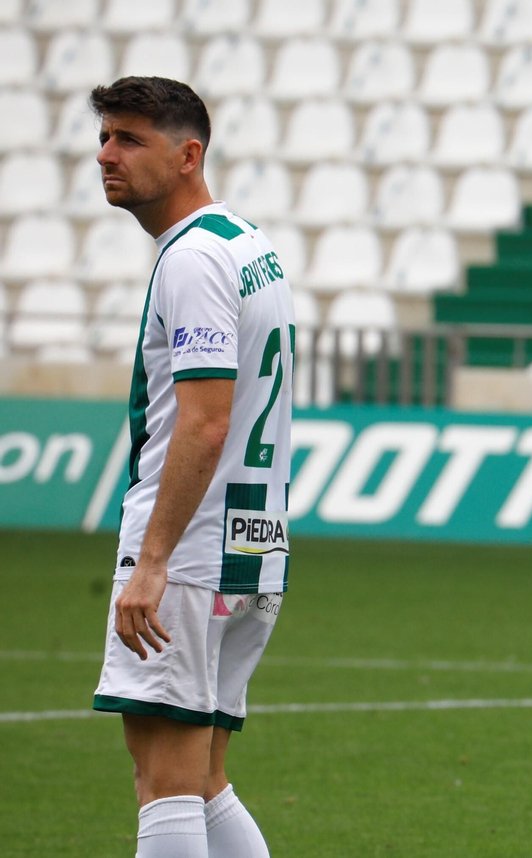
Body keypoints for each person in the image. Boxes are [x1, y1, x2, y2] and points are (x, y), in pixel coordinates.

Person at [87, 76, 293, 858]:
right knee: (202, 777)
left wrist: (155, 565)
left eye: (130, 139)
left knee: (163, 777)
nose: (106, 154)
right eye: (105, 136)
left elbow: (205, 424)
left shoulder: (193, 260)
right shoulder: (246, 243)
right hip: (251, 540)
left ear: (188, 155)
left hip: (193, 553)